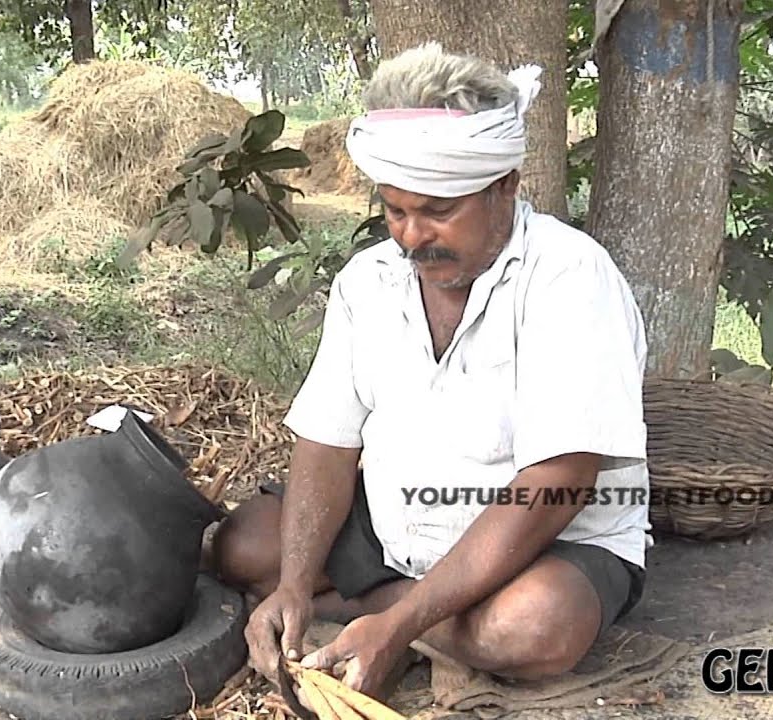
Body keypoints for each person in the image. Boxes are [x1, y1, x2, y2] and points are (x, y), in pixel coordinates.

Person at [207, 42, 652, 700]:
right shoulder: (368, 281)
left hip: (546, 540)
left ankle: (387, 615)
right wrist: (296, 585)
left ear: (505, 187)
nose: (413, 235)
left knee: (533, 628)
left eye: (439, 211)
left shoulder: (570, 278)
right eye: (395, 211)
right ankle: (401, 613)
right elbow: (328, 441)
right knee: (240, 549)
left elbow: (559, 483)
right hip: (398, 527)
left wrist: (399, 622)